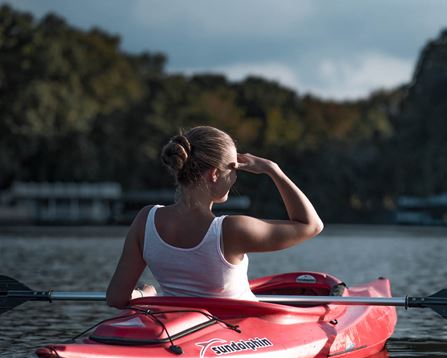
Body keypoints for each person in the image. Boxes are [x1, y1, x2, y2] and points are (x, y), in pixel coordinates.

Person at [106, 126, 323, 308]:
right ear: (214, 174)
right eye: (234, 169)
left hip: (184, 334)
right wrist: (273, 170)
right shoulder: (232, 229)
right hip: (238, 336)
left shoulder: (145, 220)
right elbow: (311, 225)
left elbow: (116, 298)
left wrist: (146, 296)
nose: (236, 176)